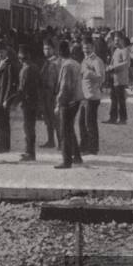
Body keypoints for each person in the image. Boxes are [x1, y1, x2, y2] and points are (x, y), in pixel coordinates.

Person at [54, 40, 84, 169]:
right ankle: (77, 156)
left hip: (68, 101)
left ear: (59, 53)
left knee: (65, 131)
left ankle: (66, 161)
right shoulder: (76, 63)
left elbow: (65, 87)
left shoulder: (66, 66)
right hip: (76, 99)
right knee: (70, 128)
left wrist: (58, 103)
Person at [0, 40, 19, 152]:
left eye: (1, 52)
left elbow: (10, 84)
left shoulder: (10, 64)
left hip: (3, 97)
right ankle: (1, 143)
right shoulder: (0, 62)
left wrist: (7, 99)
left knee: (3, 122)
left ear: (6, 51)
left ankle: (4, 145)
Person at [79, 36, 106, 154]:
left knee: (90, 123)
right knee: (82, 123)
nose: (86, 51)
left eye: (88, 49)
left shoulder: (97, 61)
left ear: (93, 48)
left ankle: (93, 148)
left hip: (92, 96)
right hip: (84, 96)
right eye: (84, 49)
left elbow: (101, 78)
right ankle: (84, 145)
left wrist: (88, 73)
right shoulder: (84, 60)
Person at [17, 44, 41, 161]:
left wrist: (16, 101)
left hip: (28, 102)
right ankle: (29, 151)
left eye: (23, 58)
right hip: (34, 100)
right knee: (30, 127)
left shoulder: (26, 69)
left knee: (28, 128)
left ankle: (30, 153)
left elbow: (22, 88)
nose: (22, 60)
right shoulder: (35, 67)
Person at [39, 39, 61, 148]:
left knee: (56, 119)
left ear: (53, 50)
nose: (46, 51)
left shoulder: (56, 63)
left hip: (53, 94)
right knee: (47, 118)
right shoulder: (46, 62)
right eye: (44, 48)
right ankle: (50, 141)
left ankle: (61, 143)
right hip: (46, 94)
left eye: (48, 49)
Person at [105, 34, 130, 123]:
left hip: (120, 79)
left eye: (118, 40)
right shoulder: (116, 50)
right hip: (114, 78)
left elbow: (126, 63)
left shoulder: (125, 51)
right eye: (115, 40)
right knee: (113, 99)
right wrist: (109, 66)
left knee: (121, 100)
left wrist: (113, 67)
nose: (116, 42)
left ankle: (123, 119)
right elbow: (112, 61)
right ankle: (113, 117)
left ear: (122, 41)